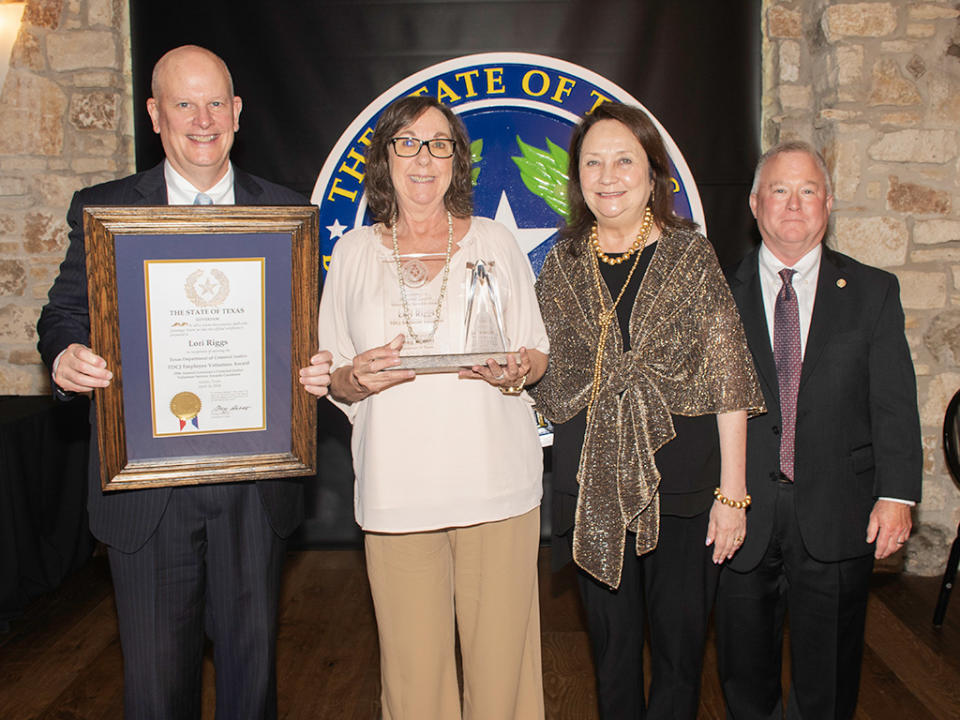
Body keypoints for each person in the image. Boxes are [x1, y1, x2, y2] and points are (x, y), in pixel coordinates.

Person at [36, 45, 332, 719]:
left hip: (253, 491)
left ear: (237, 113)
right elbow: (62, 313)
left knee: (251, 687)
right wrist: (63, 357)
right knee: (155, 691)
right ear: (155, 115)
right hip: (146, 495)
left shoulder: (287, 214)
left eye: (215, 103)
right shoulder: (104, 209)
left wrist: (319, 368)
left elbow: (309, 332)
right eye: (183, 103)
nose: (202, 119)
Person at [314, 95, 549, 720]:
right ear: (385, 158)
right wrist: (355, 378)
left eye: (439, 144)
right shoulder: (354, 255)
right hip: (398, 492)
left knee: (504, 676)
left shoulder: (496, 242)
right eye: (408, 143)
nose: (424, 158)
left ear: (457, 160)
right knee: (413, 681)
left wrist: (517, 369)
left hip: (496, 486)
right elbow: (333, 375)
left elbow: (537, 353)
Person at [529, 102, 764, 720]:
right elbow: (542, 372)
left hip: (683, 490)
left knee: (681, 657)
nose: (608, 176)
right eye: (593, 162)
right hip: (591, 491)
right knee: (610, 653)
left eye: (624, 160)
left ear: (654, 172)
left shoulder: (692, 256)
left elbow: (730, 377)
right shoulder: (561, 263)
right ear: (577, 176)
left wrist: (732, 495)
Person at [716, 141, 922, 719]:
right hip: (739, 515)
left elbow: (894, 405)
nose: (794, 204)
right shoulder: (713, 296)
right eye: (779, 191)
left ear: (828, 205)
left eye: (808, 191)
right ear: (755, 204)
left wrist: (897, 494)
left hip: (839, 512)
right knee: (743, 675)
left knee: (829, 681)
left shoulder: (873, 293)